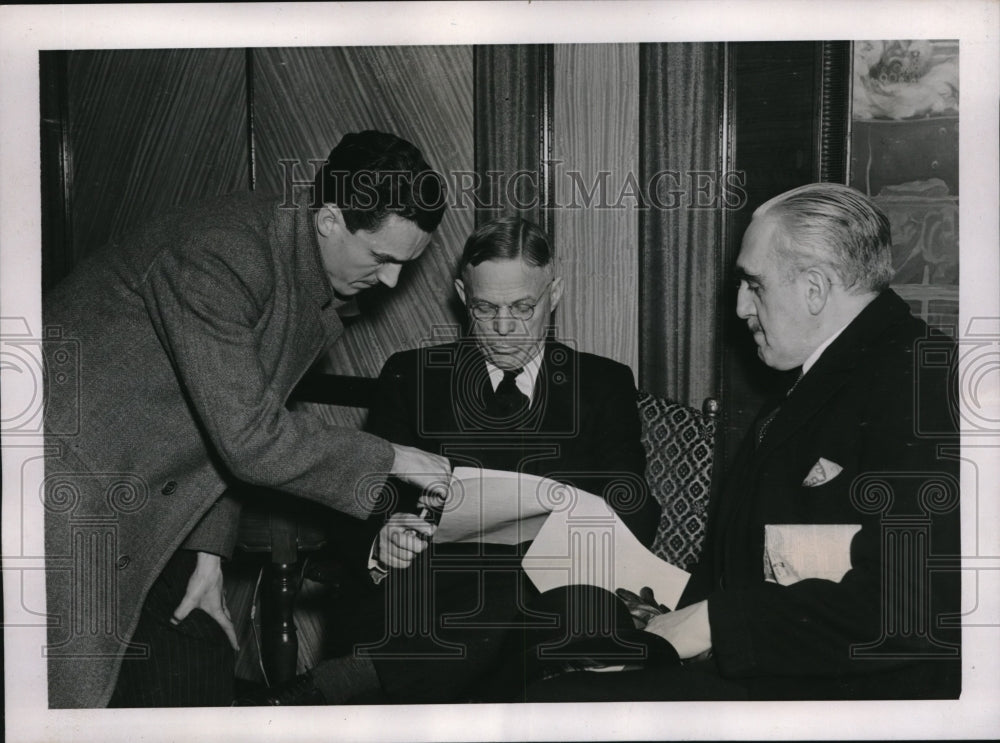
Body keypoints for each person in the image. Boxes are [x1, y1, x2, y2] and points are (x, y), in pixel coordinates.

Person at [42, 130, 454, 708]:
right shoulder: (223, 253)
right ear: (330, 219)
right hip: (58, 482)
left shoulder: (301, 268)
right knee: (65, 693)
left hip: (147, 491)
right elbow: (248, 438)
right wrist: (395, 458)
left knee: (197, 664)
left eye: (404, 264)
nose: (390, 281)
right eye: (382, 258)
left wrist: (208, 555)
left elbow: (228, 422)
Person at [524, 183, 961, 702]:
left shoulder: (920, 382)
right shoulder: (825, 374)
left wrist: (710, 624)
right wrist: (674, 620)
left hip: (847, 699)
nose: (738, 308)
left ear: (815, 288)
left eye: (754, 285)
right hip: (774, 666)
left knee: (551, 702)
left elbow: (914, 606)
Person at [244, 215, 663, 704]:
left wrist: (556, 536)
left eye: (523, 307)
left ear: (555, 294)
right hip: (432, 597)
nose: (504, 329)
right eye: (486, 309)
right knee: (513, 602)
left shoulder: (603, 383)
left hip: (561, 593)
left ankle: (341, 682)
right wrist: (383, 538)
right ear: (464, 298)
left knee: (557, 602)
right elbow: (362, 498)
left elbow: (634, 506)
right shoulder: (413, 377)